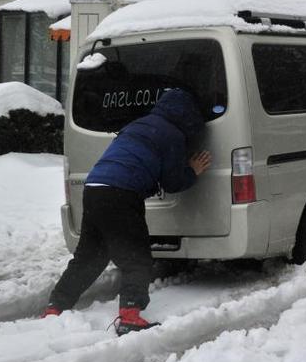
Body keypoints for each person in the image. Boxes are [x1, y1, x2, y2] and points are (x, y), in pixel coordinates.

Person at [43, 88, 212, 335]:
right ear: (188, 116)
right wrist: (193, 170)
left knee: (89, 257)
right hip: (121, 194)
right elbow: (173, 183)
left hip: (94, 188)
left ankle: (54, 307)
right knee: (137, 258)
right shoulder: (173, 134)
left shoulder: (139, 124)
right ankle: (130, 315)